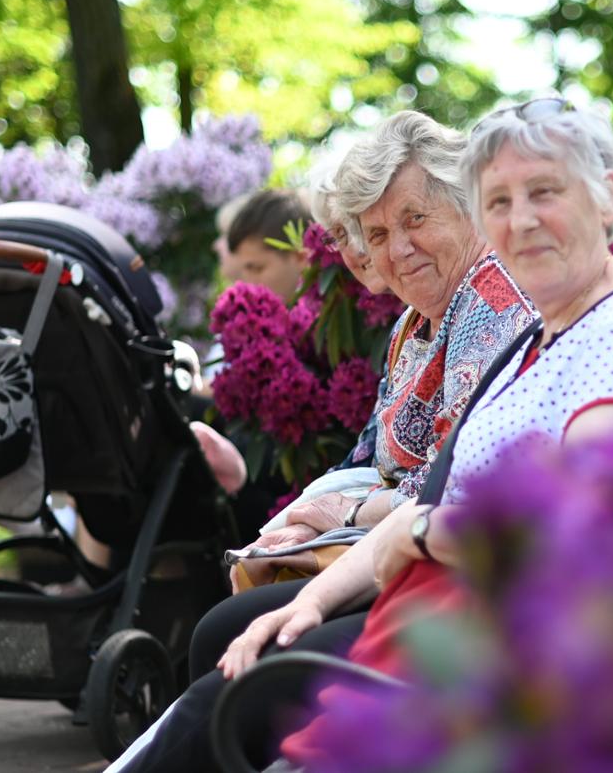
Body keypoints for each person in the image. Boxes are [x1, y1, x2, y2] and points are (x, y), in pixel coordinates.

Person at [239, 98, 613, 771]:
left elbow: (584, 535)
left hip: (513, 655)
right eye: (498, 202)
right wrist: (316, 592)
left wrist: (421, 530)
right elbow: (428, 488)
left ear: (608, 196)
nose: (519, 221)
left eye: (543, 192)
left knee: (239, 690)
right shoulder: (542, 333)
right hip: (438, 610)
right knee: (243, 650)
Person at [112, 110, 538, 772]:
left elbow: (448, 484)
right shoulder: (416, 323)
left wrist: (333, 516)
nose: (395, 250)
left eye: (415, 220)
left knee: (245, 662)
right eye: (376, 234)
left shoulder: (491, 303)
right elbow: (368, 455)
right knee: (221, 631)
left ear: (468, 208)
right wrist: (300, 521)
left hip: (448, 576)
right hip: (393, 553)